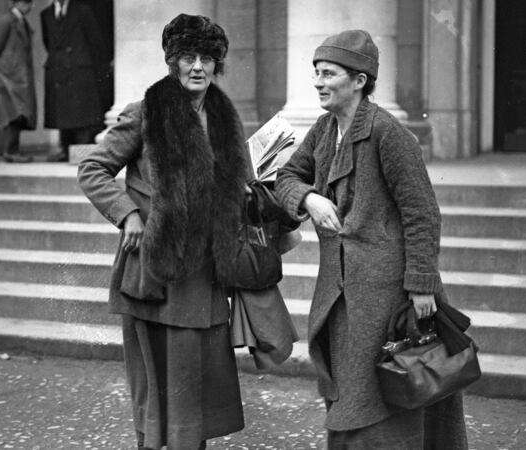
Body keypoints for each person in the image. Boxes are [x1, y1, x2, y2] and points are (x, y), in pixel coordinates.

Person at [274, 29, 468, 449]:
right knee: (350, 390)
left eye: (328, 74)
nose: (318, 82)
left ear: (359, 80)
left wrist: (421, 285)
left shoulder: (388, 133)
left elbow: (422, 213)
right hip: (341, 294)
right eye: (316, 73)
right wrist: (308, 197)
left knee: (388, 393)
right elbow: (286, 177)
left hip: (388, 295)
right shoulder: (325, 130)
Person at [77, 13, 250, 450]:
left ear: (217, 64)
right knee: (156, 386)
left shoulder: (226, 120)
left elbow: (242, 185)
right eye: (188, 57)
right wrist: (128, 214)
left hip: (205, 273)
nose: (198, 66)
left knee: (195, 388)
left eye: (207, 58)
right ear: (172, 62)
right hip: (153, 270)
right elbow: (93, 168)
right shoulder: (145, 113)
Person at [41, 0, 107, 162]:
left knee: (81, 113)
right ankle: (65, 149)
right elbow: (48, 42)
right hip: (58, 68)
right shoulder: (46, 14)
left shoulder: (82, 10)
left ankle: (81, 151)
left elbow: (95, 40)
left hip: (79, 68)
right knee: (61, 112)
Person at [0, 0, 37, 163]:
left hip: (18, 76)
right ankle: (10, 151)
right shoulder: (6, 21)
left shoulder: (19, 21)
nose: (30, 6)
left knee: (19, 114)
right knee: (13, 114)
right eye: (26, 2)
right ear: (16, 3)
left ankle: (13, 150)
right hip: (9, 77)